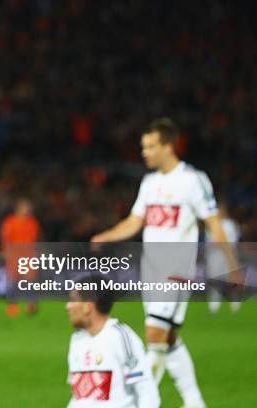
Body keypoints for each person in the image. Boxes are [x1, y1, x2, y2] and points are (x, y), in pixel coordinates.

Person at [91, 118, 242, 408]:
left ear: (168, 146)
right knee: (167, 337)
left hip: (176, 269)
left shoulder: (193, 180)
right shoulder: (149, 183)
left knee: (155, 335)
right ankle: (194, 400)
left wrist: (232, 266)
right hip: (152, 268)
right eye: (143, 147)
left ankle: (138, 402)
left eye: (150, 146)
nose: (144, 152)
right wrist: (106, 236)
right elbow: (135, 221)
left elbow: (214, 224)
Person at [66, 276, 160, 408]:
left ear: (88, 306)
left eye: (74, 300)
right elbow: (80, 397)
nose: (68, 306)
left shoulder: (120, 337)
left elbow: (146, 391)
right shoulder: (77, 339)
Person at [0, 198, 41, 316]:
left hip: (28, 255)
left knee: (30, 281)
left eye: (29, 208)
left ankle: (31, 305)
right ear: (18, 209)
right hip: (13, 255)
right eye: (26, 208)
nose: (28, 210)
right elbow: (4, 238)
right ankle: (12, 306)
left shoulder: (33, 222)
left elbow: (35, 239)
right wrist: (4, 252)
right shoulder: (9, 222)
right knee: (13, 282)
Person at [205, 201, 241, 313]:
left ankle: (236, 303)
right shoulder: (212, 225)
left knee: (232, 280)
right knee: (215, 281)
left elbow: (232, 241)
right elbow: (209, 242)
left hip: (228, 256)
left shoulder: (230, 224)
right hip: (214, 257)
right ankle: (214, 305)